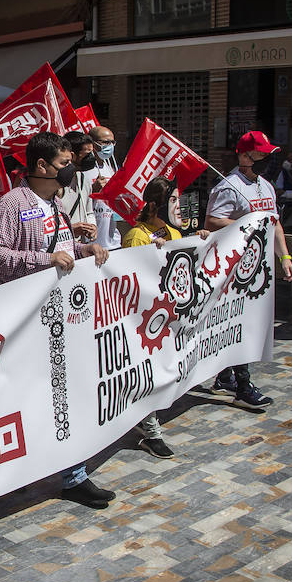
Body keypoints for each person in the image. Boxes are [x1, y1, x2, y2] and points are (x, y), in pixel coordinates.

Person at [0, 132, 116, 510]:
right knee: (22, 400)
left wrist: (83, 249)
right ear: (41, 166)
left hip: (56, 319)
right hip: (19, 321)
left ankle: (74, 475)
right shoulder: (12, 203)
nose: (69, 170)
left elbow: (60, 249)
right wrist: (44, 261)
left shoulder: (56, 206)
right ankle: (15, 473)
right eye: (62, 164)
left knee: (64, 396)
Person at [204, 130, 292, 411]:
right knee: (238, 324)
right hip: (235, 268)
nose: (267, 159)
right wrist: (247, 224)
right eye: (261, 154)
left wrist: (285, 257)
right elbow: (210, 221)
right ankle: (243, 385)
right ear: (244, 155)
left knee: (243, 323)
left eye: (269, 154)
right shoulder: (228, 186)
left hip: (260, 267)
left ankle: (224, 376)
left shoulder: (266, 186)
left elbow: (275, 223)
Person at [120, 177, 208, 459]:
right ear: (158, 205)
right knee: (148, 374)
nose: (180, 207)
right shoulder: (138, 235)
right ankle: (149, 431)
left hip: (172, 316)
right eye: (174, 201)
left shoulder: (174, 232)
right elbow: (131, 279)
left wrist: (201, 241)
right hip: (146, 321)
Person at [86, 124, 126, 253]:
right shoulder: (82, 171)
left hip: (113, 242)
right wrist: (93, 191)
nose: (110, 146)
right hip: (91, 244)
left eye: (112, 142)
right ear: (92, 144)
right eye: (106, 142)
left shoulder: (110, 169)